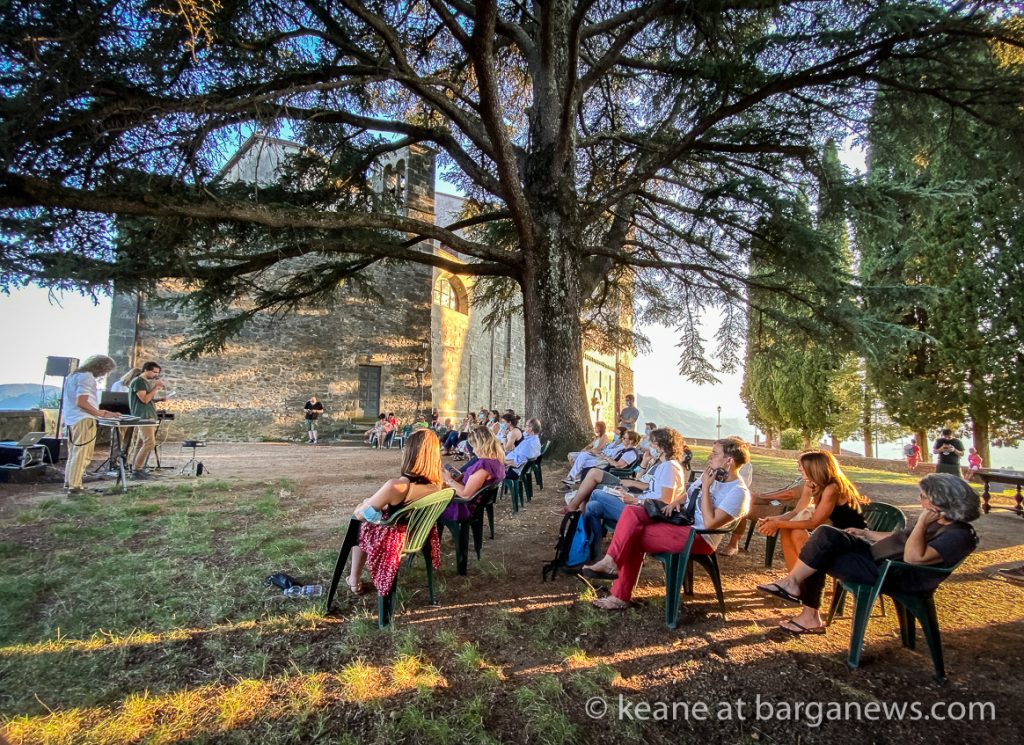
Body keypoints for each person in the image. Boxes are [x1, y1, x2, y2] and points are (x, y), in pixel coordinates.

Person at [756, 473, 980, 635]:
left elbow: (914, 558)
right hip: (877, 558)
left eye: (923, 497)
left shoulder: (958, 535)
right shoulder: (940, 521)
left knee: (819, 551)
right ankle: (796, 590)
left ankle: (804, 606)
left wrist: (921, 521)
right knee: (825, 535)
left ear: (940, 502)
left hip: (891, 573)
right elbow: (900, 538)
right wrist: (866, 533)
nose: (918, 501)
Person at [584, 436, 751, 610]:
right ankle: (610, 562)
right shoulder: (710, 475)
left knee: (633, 534)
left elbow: (710, 523)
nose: (710, 457)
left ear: (729, 461)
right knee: (632, 511)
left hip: (699, 536)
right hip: (681, 521)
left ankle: (619, 594)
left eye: (715, 454)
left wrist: (707, 488)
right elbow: (689, 493)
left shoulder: (738, 492)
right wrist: (676, 502)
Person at [347, 429, 446, 595]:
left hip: (395, 539)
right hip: (418, 535)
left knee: (359, 526)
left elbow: (361, 515)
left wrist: (363, 504)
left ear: (410, 453)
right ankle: (353, 579)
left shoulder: (397, 486)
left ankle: (354, 580)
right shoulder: (437, 485)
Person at [578, 427, 691, 563]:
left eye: (653, 443)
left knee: (597, 493)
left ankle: (580, 544)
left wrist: (635, 501)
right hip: (641, 505)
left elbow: (664, 501)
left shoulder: (670, 467)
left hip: (645, 513)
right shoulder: (664, 465)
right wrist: (629, 495)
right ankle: (593, 552)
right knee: (593, 507)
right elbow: (652, 492)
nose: (650, 446)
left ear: (662, 446)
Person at [750, 450, 866, 569]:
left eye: (802, 466)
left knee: (797, 533)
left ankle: (809, 578)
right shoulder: (811, 483)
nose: (799, 468)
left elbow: (814, 523)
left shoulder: (832, 487)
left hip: (852, 536)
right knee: (787, 529)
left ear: (814, 468)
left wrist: (777, 524)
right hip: (831, 533)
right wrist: (775, 519)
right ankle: (794, 577)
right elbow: (797, 511)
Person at [62, 355, 121, 495]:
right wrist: (98, 413)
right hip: (83, 419)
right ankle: (75, 487)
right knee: (83, 454)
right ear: (101, 368)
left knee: (74, 453)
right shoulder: (87, 377)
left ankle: (70, 482)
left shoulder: (73, 376)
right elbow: (81, 402)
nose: (104, 374)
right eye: (106, 371)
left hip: (72, 419)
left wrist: (101, 412)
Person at [559, 430, 645, 514]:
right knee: (586, 466)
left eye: (624, 438)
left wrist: (607, 458)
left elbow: (618, 465)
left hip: (613, 472)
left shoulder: (631, 453)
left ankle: (575, 506)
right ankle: (577, 508)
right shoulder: (624, 450)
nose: (622, 439)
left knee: (591, 472)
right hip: (608, 467)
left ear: (631, 441)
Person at [439, 427, 506, 522]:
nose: (473, 451)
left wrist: (448, 479)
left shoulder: (484, 466)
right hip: (476, 503)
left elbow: (465, 495)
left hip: (461, 507)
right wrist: (460, 476)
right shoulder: (497, 461)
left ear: (482, 445)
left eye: (474, 447)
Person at [127, 361, 166, 480]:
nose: (156, 375)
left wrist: (158, 399)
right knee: (149, 443)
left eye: (157, 373)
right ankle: (137, 470)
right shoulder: (139, 381)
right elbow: (144, 399)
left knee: (140, 443)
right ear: (145, 370)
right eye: (154, 372)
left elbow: (147, 399)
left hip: (147, 415)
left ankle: (136, 468)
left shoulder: (144, 382)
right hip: (144, 416)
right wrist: (156, 387)